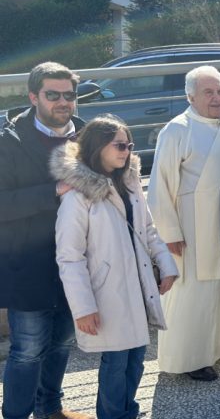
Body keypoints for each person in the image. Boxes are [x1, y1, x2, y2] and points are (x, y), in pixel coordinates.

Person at [51, 116, 179, 419]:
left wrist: (166, 264)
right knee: (117, 360)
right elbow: (70, 256)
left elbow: (147, 230)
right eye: (119, 145)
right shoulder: (77, 195)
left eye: (129, 145)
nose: (126, 151)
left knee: (135, 358)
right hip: (107, 293)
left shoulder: (130, 183)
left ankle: (128, 411)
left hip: (136, 287)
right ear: (98, 147)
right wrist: (83, 308)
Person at [0, 62, 92, 419]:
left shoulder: (87, 135)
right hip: (28, 262)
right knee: (28, 349)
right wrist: (54, 190)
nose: (62, 102)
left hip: (76, 260)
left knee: (63, 342)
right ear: (33, 96)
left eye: (69, 95)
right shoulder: (9, 140)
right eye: (52, 95)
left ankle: (50, 408)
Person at [147, 65, 220, 381]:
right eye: (209, 92)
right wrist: (170, 233)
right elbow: (160, 185)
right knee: (192, 292)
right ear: (190, 96)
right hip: (191, 224)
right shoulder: (177, 130)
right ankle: (190, 358)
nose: (217, 98)